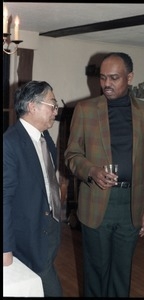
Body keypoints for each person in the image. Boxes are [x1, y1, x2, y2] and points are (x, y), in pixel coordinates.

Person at [64, 52, 144, 297]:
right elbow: (71, 155)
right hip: (96, 203)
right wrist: (92, 171)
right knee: (95, 272)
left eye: (114, 78)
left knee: (121, 272)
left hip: (132, 205)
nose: (107, 84)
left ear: (130, 77)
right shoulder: (85, 110)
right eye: (103, 77)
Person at [3, 80, 63, 297]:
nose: (56, 111)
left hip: (48, 231)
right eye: (52, 104)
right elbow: (4, 199)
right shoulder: (9, 143)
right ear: (32, 106)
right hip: (26, 239)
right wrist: (5, 249)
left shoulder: (45, 137)